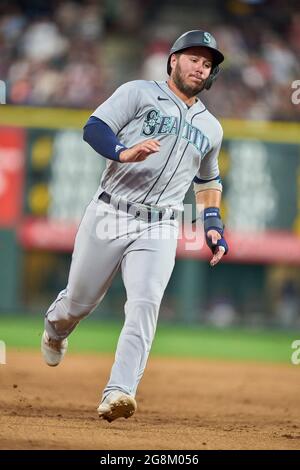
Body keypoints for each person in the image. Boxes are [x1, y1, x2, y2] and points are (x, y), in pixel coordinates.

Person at [41, 30, 228, 422]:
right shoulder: (138, 92)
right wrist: (123, 152)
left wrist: (213, 224)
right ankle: (56, 329)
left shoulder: (211, 127)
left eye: (207, 63)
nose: (200, 67)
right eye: (194, 58)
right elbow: (94, 127)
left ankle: (119, 390)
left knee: (145, 304)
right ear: (173, 60)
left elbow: (208, 182)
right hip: (111, 211)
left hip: (160, 225)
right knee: (79, 301)